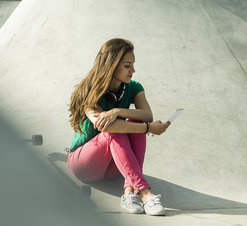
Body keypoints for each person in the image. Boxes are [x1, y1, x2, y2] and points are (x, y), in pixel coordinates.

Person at [67, 38, 170, 215]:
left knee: (135, 122)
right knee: (114, 131)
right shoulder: (88, 90)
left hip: (113, 168)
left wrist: (116, 110)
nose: (133, 70)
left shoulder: (133, 87)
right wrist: (148, 128)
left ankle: (129, 193)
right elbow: (104, 126)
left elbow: (147, 115)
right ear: (112, 65)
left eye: (133, 65)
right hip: (84, 164)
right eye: (127, 66)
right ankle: (145, 193)